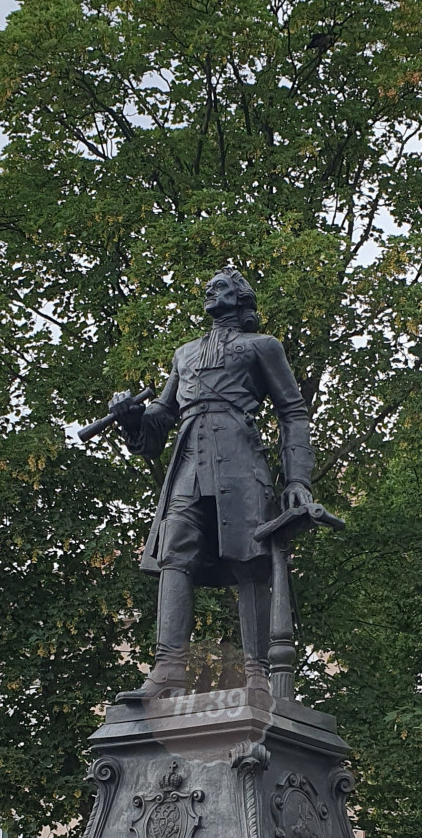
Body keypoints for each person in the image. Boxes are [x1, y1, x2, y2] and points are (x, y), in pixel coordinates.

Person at [108, 266, 317, 696]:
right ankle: (168, 670)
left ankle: (257, 673)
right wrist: (132, 419)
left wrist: (298, 479)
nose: (209, 291)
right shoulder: (184, 354)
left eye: (219, 287)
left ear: (240, 298)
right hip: (188, 462)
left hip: (240, 460)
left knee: (251, 559)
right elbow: (161, 418)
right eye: (207, 287)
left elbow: (292, 411)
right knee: (174, 552)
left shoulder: (262, 346)